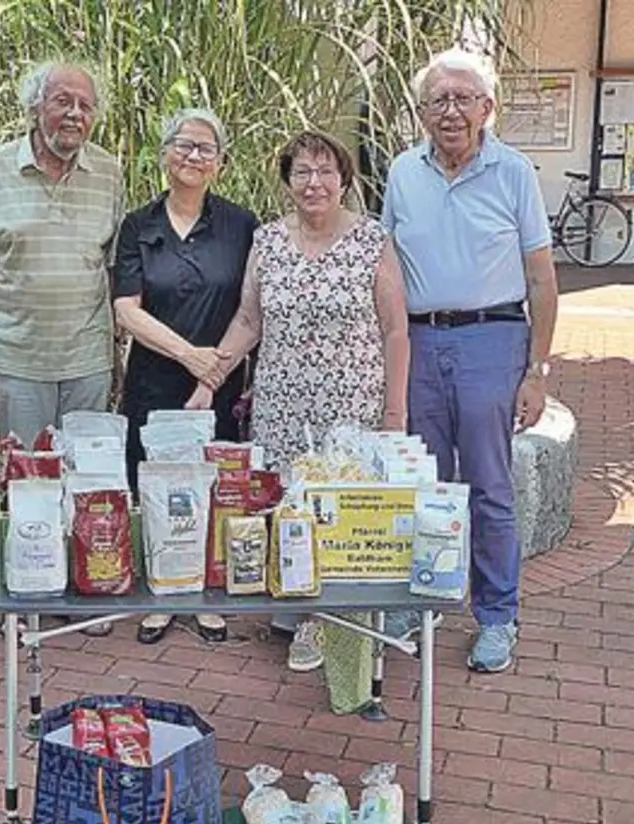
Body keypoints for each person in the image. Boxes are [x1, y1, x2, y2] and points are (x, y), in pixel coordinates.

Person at [203, 131, 410, 672]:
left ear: (344, 180)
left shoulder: (371, 240)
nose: (313, 182)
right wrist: (209, 378)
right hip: (283, 403)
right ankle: (295, 604)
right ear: (288, 182)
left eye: (325, 171)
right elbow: (249, 320)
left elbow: (394, 331)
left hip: (352, 407)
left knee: (337, 509)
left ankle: (329, 620)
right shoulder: (268, 241)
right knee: (287, 501)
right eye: (301, 172)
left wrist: (395, 414)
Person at [382, 48, 561, 673]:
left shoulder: (513, 172)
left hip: (492, 339)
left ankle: (496, 616)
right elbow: (386, 267)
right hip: (421, 341)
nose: (450, 110)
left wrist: (536, 372)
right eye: (438, 100)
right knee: (424, 485)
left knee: (488, 487)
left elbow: (542, 281)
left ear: (487, 109)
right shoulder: (403, 172)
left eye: (463, 98)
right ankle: (421, 600)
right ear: (422, 112)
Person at [0, 60, 124, 636]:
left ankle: (85, 589)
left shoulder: (109, 173)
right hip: (18, 359)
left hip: (87, 358)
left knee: (85, 480)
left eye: (86, 105)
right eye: (62, 101)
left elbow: (114, 270)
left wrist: (117, 353)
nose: (75, 114)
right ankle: (25, 591)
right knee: (24, 483)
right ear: (36, 108)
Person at [112, 109, 259, 645]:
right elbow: (126, 309)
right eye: (184, 145)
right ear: (164, 154)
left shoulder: (242, 226)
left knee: (215, 489)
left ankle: (206, 595)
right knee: (155, 485)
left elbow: (250, 311)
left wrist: (210, 373)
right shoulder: (138, 225)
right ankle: (161, 593)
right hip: (153, 382)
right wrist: (186, 357)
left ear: (219, 164)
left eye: (206, 149)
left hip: (217, 386)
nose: (193, 156)